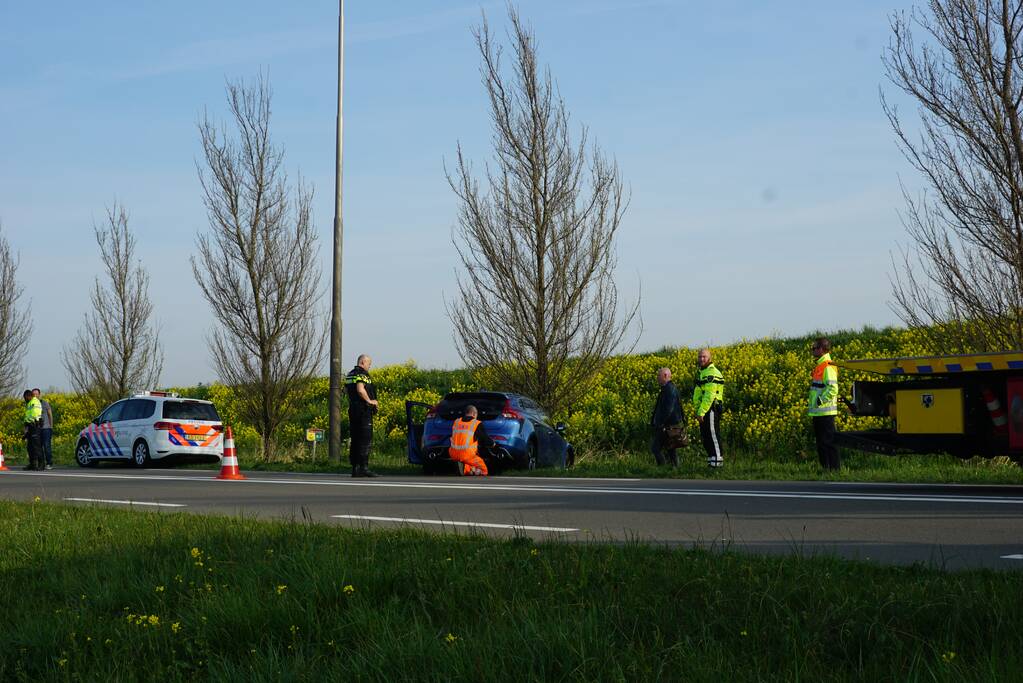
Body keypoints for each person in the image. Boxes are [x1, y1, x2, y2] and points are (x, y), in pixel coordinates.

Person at [345, 354, 380, 477]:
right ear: (363, 362)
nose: (369, 367)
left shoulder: (350, 374)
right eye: (369, 364)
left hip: (353, 410)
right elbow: (360, 389)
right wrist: (370, 401)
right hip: (363, 410)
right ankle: (364, 468)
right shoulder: (362, 374)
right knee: (365, 439)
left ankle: (355, 468)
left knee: (355, 439)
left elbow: (349, 391)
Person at [809, 337, 840, 470]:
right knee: (821, 443)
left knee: (828, 442)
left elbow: (833, 388)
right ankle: (826, 469)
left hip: (825, 411)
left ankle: (834, 470)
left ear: (822, 349)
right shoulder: (821, 365)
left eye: (814, 348)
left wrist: (820, 400)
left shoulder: (827, 366)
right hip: (819, 411)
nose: (812, 350)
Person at [693, 349, 724, 468]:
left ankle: (717, 465)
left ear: (709, 358)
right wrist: (697, 410)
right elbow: (698, 393)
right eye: (700, 357)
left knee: (712, 435)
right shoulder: (702, 372)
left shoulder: (711, 372)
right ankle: (712, 463)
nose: (701, 359)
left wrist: (701, 412)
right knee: (706, 437)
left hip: (711, 408)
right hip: (704, 409)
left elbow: (709, 395)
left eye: (704, 357)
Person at [448, 404, 495, 476]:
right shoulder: (476, 423)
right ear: (474, 413)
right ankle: (466, 470)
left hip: (453, 453)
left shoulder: (456, 422)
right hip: (467, 454)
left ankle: (464, 466)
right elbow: (484, 438)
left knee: (469, 462)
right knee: (484, 470)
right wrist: (493, 444)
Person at [650, 367, 682, 466]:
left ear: (665, 376)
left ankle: (662, 467)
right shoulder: (667, 388)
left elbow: (668, 409)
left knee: (656, 448)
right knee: (670, 447)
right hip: (668, 424)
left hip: (667, 424)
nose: (657, 378)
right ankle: (674, 468)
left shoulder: (669, 389)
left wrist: (660, 422)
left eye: (658, 376)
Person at [22, 389, 44, 471]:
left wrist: (33, 421)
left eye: (25, 397)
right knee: (30, 447)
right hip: (30, 426)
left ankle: (41, 464)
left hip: (35, 425)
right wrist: (25, 426)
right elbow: (27, 415)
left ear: (29, 396)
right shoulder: (29, 403)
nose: (25, 399)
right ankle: (32, 464)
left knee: (36, 446)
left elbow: (36, 413)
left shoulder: (35, 401)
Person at [32, 388, 54, 470]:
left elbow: (50, 415)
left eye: (36, 394)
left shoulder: (44, 403)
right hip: (37, 429)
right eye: (33, 394)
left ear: (39, 394)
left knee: (47, 446)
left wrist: (51, 426)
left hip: (46, 428)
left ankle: (49, 463)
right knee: (39, 447)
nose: (35, 396)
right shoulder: (31, 405)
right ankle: (41, 463)